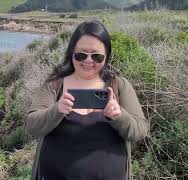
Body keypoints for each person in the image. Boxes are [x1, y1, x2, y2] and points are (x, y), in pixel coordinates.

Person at [24, 20, 149, 180]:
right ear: (71, 53)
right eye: (81, 55)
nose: (88, 61)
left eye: (97, 56)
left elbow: (140, 130)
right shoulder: (55, 85)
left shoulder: (119, 85)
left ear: (106, 57)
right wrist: (56, 110)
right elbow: (31, 126)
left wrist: (119, 116)